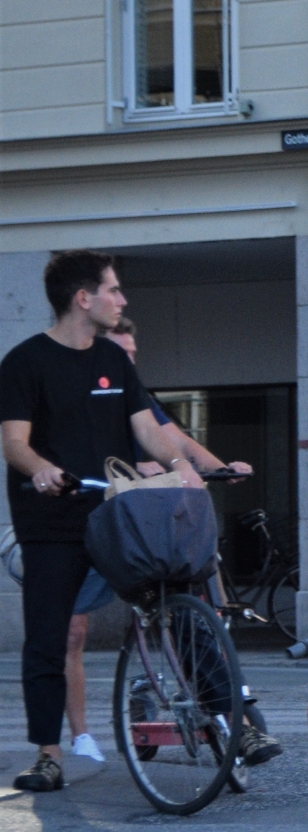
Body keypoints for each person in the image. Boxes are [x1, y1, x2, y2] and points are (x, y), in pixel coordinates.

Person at [2, 252, 200, 793]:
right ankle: (47, 754)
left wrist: (183, 466)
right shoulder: (25, 362)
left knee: (182, 592)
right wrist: (42, 470)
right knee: (48, 636)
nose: (122, 299)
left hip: (117, 514)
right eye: (113, 290)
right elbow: (13, 442)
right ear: (82, 298)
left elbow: (148, 430)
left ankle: (232, 720)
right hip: (52, 521)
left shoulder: (114, 360)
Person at [63, 319, 281, 769]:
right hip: (85, 520)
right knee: (72, 630)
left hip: (137, 521)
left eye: (133, 355)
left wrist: (220, 467)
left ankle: (235, 725)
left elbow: (175, 442)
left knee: (181, 607)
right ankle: (77, 736)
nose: (128, 363)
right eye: (119, 354)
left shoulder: (136, 396)